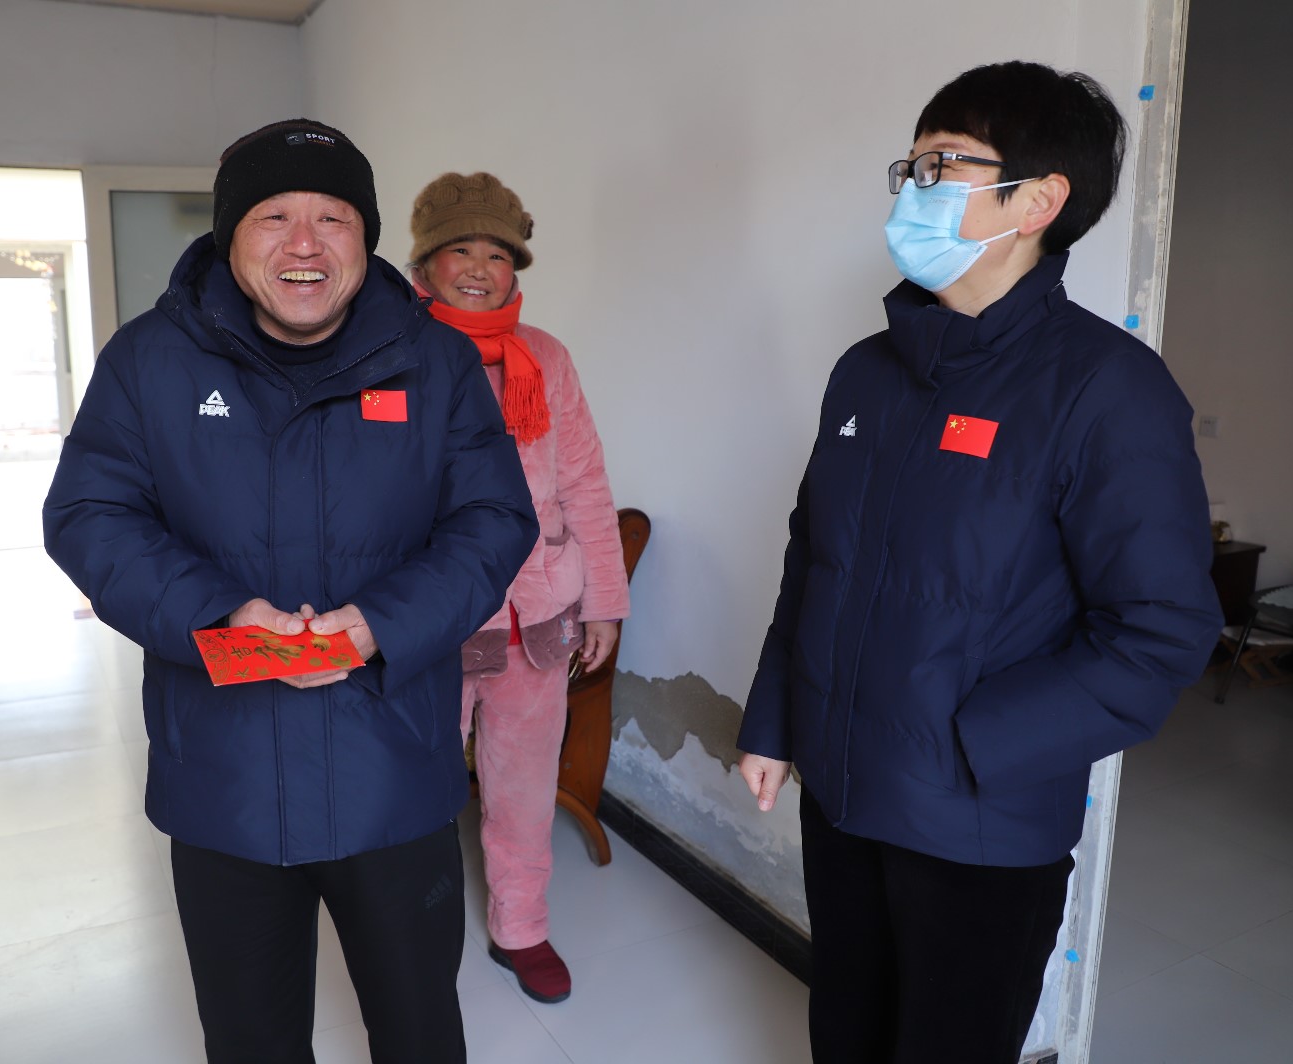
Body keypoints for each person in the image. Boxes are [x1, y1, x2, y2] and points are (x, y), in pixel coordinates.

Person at [735, 62, 1222, 1064]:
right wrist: (776, 722)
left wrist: (972, 746)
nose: (914, 186)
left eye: (944, 163)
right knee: (845, 1034)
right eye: (910, 165)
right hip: (842, 797)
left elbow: (1161, 631)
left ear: (1039, 200)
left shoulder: (1107, 390)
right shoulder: (865, 372)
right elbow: (813, 557)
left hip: (979, 824)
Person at [43, 119, 538, 1064]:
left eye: (333, 218)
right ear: (231, 235)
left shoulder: (434, 361)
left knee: (420, 1033)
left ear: (367, 238)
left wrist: (380, 623)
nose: (304, 243)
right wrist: (223, 614)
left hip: (392, 771)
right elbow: (89, 515)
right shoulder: (149, 361)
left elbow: (494, 519)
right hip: (223, 781)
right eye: (274, 216)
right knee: (251, 1041)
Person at [406, 172, 630, 1004]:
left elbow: (585, 483)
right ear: (424, 264)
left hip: (536, 610)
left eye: (497, 254)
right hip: (430, 613)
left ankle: (521, 927)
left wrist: (603, 602)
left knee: (524, 783)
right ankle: (410, 929)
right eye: (459, 250)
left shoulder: (547, 357)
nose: (478, 268)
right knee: (418, 781)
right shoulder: (394, 351)